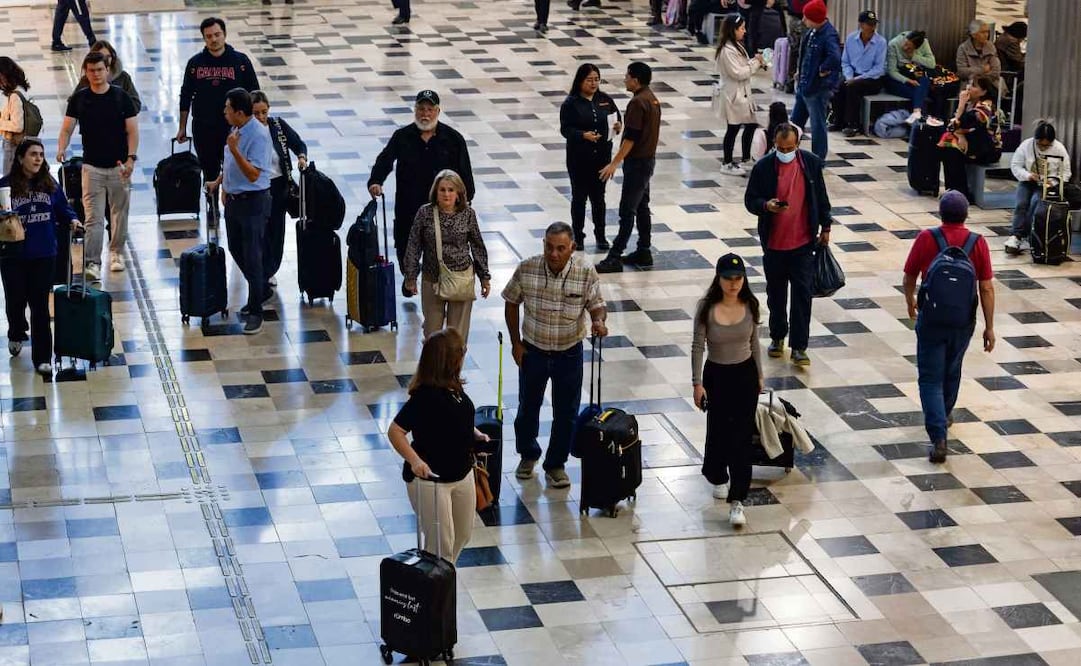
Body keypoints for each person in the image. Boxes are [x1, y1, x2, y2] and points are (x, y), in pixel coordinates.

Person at [504, 222, 607, 489]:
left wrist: (598, 322)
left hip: (569, 353)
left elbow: (596, 305)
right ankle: (528, 454)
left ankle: (556, 464)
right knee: (528, 408)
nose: (554, 253)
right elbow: (511, 302)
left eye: (561, 248)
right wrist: (516, 343)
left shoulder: (585, 272)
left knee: (567, 412)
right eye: (549, 247)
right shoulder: (527, 268)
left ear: (572, 247)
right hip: (533, 351)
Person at [902, 191, 995, 463]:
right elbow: (986, 288)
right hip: (962, 322)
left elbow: (908, 276)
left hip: (931, 320)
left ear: (940, 213)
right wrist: (989, 327)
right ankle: (944, 413)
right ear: (966, 215)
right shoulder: (978, 243)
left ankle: (938, 435)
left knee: (930, 378)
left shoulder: (926, 238)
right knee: (952, 369)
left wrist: (910, 301)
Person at [389, 328, 486, 564]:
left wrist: (474, 433)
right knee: (440, 546)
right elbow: (395, 431)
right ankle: (437, 594)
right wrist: (415, 461)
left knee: (462, 535)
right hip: (431, 481)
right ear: (450, 360)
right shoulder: (425, 397)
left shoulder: (454, 386)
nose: (464, 356)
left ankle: (442, 586)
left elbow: (453, 418)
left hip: (461, 473)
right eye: (461, 352)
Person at [744, 123, 832, 367]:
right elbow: (750, 200)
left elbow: (822, 197)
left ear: (798, 145)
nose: (786, 152)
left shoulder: (811, 164)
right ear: (774, 144)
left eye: (790, 148)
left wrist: (826, 227)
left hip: (803, 243)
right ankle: (777, 336)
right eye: (781, 148)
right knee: (776, 294)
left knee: (803, 295)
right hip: (774, 245)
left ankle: (800, 346)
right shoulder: (763, 167)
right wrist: (766, 206)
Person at [368, 90, 476, 274]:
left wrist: (465, 200)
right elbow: (385, 160)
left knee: (440, 250)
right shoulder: (402, 136)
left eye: (430, 109)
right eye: (421, 109)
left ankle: (436, 283)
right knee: (405, 247)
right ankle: (409, 278)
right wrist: (375, 181)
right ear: (415, 110)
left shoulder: (453, 139)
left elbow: (465, 173)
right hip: (408, 207)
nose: (425, 114)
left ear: (438, 111)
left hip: (441, 208)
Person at [691, 253, 763, 528]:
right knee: (719, 430)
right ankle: (717, 474)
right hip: (716, 375)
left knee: (742, 437)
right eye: (728, 278)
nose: (733, 284)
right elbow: (698, 346)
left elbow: (755, 342)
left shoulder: (750, 304)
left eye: (738, 278)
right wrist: (697, 383)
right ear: (718, 279)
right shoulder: (706, 308)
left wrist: (759, 374)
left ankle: (738, 500)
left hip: (744, 375)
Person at [0, 138, 80, 375]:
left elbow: (64, 209)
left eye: (41, 154)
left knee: (40, 307)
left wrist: (73, 220)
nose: (37, 159)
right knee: (15, 301)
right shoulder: (5, 186)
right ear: (21, 158)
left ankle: (43, 357)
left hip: (44, 253)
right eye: (33, 154)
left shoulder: (50, 185)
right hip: (13, 255)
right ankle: (16, 331)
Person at [56, 51, 138, 281]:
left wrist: (131, 158)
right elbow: (67, 128)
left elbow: (132, 130)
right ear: (86, 72)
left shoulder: (121, 97)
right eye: (91, 70)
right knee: (93, 217)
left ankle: (116, 253)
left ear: (107, 70)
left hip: (119, 166)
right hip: (91, 167)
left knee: (119, 214)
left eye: (100, 70)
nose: (96, 74)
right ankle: (92, 261)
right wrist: (62, 147)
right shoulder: (80, 99)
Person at [206, 88, 272, 336]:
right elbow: (233, 163)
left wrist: (233, 149)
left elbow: (254, 173)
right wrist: (219, 181)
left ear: (239, 112)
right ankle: (260, 287)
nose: (224, 112)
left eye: (227, 108)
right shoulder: (237, 130)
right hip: (234, 200)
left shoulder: (259, 135)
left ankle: (256, 310)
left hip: (253, 202)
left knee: (252, 255)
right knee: (235, 248)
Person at [403, 169, 491, 342]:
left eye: (451, 190)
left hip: (461, 280)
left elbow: (477, 245)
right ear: (435, 192)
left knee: (456, 337)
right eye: (442, 189)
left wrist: (484, 277)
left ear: (458, 194)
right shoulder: (425, 213)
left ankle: (453, 368)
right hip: (433, 278)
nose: (446, 194)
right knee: (432, 334)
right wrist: (411, 276)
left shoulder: (468, 214)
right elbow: (414, 244)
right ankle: (434, 368)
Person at [176, 18, 261, 182]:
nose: (213, 39)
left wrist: (258, 124)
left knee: (236, 169)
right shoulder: (195, 64)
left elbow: (254, 95)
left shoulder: (241, 62)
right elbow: (185, 96)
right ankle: (212, 206)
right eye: (208, 36)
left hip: (235, 128)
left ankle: (232, 205)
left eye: (217, 34)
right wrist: (182, 127)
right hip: (204, 128)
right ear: (204, 38)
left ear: (225, 34)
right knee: (209, 172)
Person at [596, 62, 661, 273]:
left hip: (638, 163)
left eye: (627, 76)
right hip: (648, 160)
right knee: (642, 206)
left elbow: (631, 137)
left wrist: (614, 163)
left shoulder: (637, 103)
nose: (624, 79)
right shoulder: (652, 98)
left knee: (627, 210)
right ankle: (644, 250)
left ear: (635, 79)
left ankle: (614, 256)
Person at [559, 63, 621, 250]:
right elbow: (565, 129)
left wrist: (618, 126)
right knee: (579, 198)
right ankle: (578, 235)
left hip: (601, 159)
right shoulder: (571, 103)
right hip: (579, 159)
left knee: (598, 198)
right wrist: (582, 135)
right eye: (589, 80)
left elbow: (616, 118)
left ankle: (600, 235)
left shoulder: (605, 99)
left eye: (596, 79)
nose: (593, 83)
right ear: (580, 81)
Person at [250, 91, 308, 289]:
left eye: (264, 112)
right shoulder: (245, 132)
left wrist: (301, 157)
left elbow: (298, 143)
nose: (260, 117)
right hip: (258, 187)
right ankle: (260, 269)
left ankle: (270, 269)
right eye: (256, 113)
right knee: (260, 230)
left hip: (279, 184)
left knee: (276, 230)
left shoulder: (277, 126)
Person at [1005, 122, 1072, 255]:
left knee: (1035, 203)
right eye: (1040, 145)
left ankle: (1030, 235)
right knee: (1021, 204)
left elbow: (1066, 172)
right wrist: (1028, 175)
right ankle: (1016, 236)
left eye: (1047, 145)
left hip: (1049, 184)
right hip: (1028, 180)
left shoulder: (1059, 148)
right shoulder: (1026, 145)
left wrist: (1053, 182)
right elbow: (1015, 165)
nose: (1043, 148)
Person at [715, 14, 766, 177]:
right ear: (733, 30)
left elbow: (744, 67)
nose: (745, 31)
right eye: (742, 28)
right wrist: (756, 63)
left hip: (742, 94)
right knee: (733, 128)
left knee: (751, 124)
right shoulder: (726, 51)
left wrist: (755, 62)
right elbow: (739, 73)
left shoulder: (736, 46)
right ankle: (727, 162)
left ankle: (745, 158)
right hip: (733, 95)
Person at [789, 0, 841, 160]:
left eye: (806, 17)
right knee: (795, 123)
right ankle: (787, 152)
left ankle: (818, 160)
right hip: (805, 86)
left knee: (818, 125)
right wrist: (800, 71)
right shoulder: (812, 32)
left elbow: (835, 57)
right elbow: (804, 54)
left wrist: (822, 70)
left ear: (816, 18)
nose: (803, 20)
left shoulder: (828, 35)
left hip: (817, 89)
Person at [938, 76, 1002, 202]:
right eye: (969, 84)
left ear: (983, 91)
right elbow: (952, 126)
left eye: (973, 86)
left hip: (989, 149)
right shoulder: (972, 104)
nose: (968, 88)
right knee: (948, 142)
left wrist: (961, 105)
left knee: (950, 143)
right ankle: (954, 189)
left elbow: (962, 123)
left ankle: (960, 191)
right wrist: (960, 134)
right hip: (974, 143)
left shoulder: (986, 107)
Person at [832, 10, 887, 137]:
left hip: (872, 78)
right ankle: (838, 120)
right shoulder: (851, 39)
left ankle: (853, 124)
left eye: (874, 24)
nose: (872, 27)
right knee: (838, 86)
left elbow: (879, 68)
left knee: (853, 87)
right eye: (869, 24)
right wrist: (850, 76)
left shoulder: (881, 42)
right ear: (861, 25)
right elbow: (845, 62)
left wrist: (858, 79)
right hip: (854, 74)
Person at [75, 41, 143, 113]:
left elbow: (136, 104)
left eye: (108, 56)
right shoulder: (87, 79)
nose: (105, 60)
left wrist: (118, 108)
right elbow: (73, 103)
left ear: (112, 57)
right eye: (101, 56)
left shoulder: (123, 77)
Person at [885, 31, 935, 124]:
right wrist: (907, 80)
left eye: (910, 47)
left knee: (924, 81)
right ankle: (920, 120)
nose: (905, 47)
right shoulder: (894, 44)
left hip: (914, 76)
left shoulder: (924, 43)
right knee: (919, 94)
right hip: (897, 79)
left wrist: (914, 56)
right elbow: (892, 71)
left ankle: (917, 115)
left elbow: (932, 64)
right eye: (906, 44)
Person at [0, 58, 31, 174]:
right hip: (22, 144)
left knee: (9, 182)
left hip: (13, 145)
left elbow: (17, 125)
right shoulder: (21, 90)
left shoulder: (15, 96)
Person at [955, 20, 1001, 86]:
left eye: (987, 32)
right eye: (982, 32)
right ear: (974, 35)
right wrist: (982, 69)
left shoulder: (990, 46)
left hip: (991, 84)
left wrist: (976, 74)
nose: (986, 35)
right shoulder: (963, 48)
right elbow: (962, 72)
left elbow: (996, 70)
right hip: (971, 85)